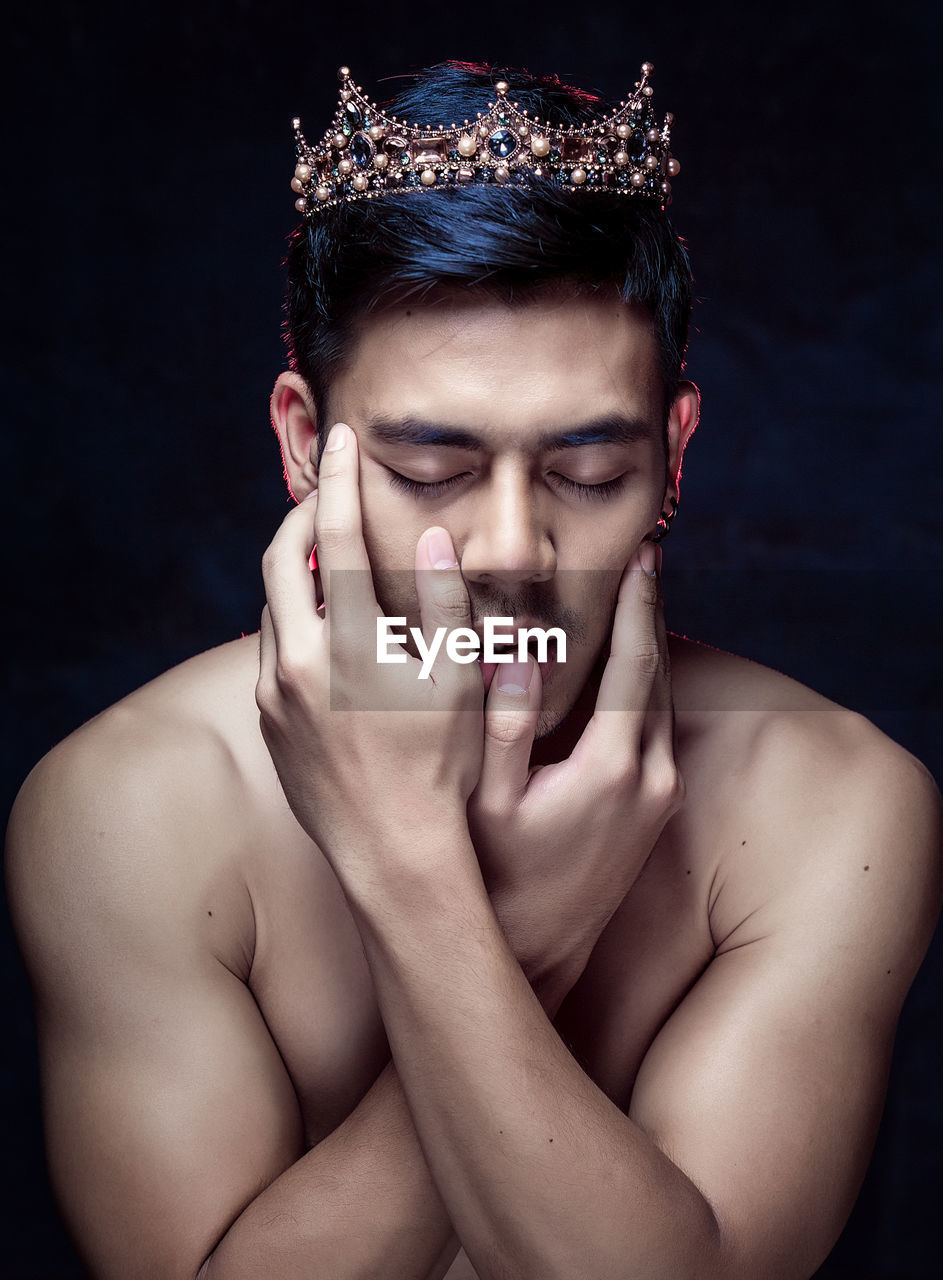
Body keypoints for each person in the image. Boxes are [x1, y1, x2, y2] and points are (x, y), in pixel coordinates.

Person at [5, 59, 941, 1280]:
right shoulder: (131, 805)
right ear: (304, 443)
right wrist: (506, 925)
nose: (511, 552)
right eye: (430, 470)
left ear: (672, 454)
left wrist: (434, 909)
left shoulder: (833, 802)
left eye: (588, 472)